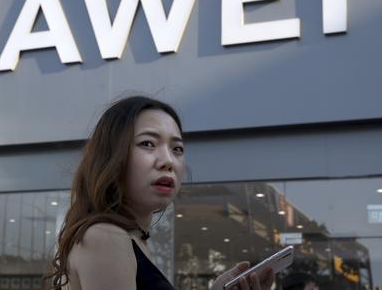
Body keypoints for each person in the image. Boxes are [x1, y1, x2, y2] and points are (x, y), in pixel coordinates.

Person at [45, 96, 274, 290]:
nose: (168, 161)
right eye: (147, 144)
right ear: (111, 156)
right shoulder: (106, 237)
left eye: (177, 149)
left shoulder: (132, 239)